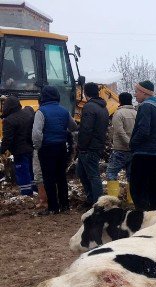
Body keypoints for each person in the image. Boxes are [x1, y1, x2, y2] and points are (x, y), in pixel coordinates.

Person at [32, 86, 78, 214]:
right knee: (61, 176)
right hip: (61, 147)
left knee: (48, 178)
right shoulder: (64, 111)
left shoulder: (41, 112)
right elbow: (73, 126)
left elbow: (36, 133)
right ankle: (65, 205)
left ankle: (53, 207)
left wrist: (37, 146)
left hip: (46, 148)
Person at [129, 80, 156, 211]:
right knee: (154, 185)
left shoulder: (145, 106)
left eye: (137, 91)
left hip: (144, 152)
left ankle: (142, 216)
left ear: (144, 92)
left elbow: (143, 130)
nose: (135, 95)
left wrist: (132, 143)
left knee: (138, 187)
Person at [77, 82, 109, 207]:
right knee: (82, 172)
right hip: (97, 145)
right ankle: (91, 199)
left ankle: (98, 204)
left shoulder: (89, 107)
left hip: (89, 147)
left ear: (85, 93)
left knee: (93, 176)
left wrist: (82, 146)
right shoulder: (103, 107)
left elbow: (86, 129)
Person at [1, 95, 34, 196]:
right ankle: (35, 190)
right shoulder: (27, 114)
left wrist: (1, 150)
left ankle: (26, 195)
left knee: (22, 173)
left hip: (20, 151)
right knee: (31, 171)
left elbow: (7, 139)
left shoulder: (9, 120)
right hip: (31, 148)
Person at [106, 92, 136, 198]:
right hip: (133, 151)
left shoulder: (118, 114)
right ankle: (131, 200)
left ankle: (113, 200)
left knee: (111, 173)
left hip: (120, 149)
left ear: (120, 101)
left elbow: (119, 131)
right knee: (131, 176)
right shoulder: (136, 113)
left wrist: (128, 143)